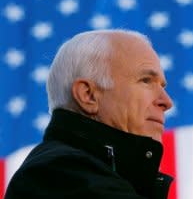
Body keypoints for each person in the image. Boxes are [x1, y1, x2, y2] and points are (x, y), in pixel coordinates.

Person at [5, 29, 174, 199]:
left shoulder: (98, 174)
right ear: (88, 95)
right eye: (146, 80)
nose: (166, 102)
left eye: (162, 86)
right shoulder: (58, 175)